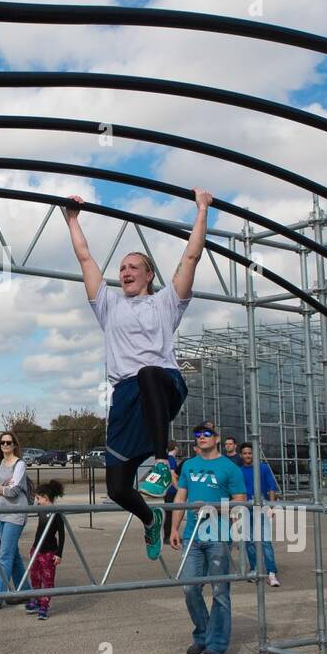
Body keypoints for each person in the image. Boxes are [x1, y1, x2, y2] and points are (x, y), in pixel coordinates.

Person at [65, 189, 211, 561]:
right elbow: (85, 257)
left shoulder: (166, 303)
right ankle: (149, 519)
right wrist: (71, 220)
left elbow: (192, 255)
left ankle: (162, 463)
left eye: (133, 267)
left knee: (148, 371)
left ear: (149, 274)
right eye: (122, 268)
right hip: (126, 398)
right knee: (116, 488)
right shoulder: (108, 305)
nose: (125, 272)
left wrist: (202, 209)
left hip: (164, 384)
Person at [169, 423, 246, 654]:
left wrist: (216, 509)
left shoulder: (229, 468)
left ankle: (217, 644)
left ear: (217, 438)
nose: (201, 438)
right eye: (198, 436)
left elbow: (240, 501)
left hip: (218, 536)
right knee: (190, 588)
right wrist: (174, 527)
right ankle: (202, 634)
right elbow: (181, 496)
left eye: (206, 434)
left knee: (220, 591)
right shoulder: (189, 466)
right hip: (192, 536)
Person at [0, 431, 32, 610]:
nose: (5, 445)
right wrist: (1, 487)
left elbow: (14, 491)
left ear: (14, 444)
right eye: (2, 443)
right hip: (1, 513)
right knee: (14, 555)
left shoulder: (20, 464)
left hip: (16, 513)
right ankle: (25, 591)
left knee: (5, 555)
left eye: (8, 442)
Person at [237, 443, 281, 586]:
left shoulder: (263, 468)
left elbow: (271, 487)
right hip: (245, 508)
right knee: (249, 541)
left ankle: (271, 573)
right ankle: (255, 569)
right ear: (241, 455)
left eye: (250, 453)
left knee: (265, 541)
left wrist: (271, 506)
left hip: (261, 506)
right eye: (245, 453)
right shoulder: (239, 471)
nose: (247, 456)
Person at [27, 479, 66, 620]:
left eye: (38, 498)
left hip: (49, 552)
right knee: (35, 576)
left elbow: (62, 534)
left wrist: (59, 554)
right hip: (36, 549)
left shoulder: (56, 513)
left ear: (45, 498)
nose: (37, 501)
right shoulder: (41, 510)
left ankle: (44, 606)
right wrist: (33, 548)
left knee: (47, 580)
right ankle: (36, 600)